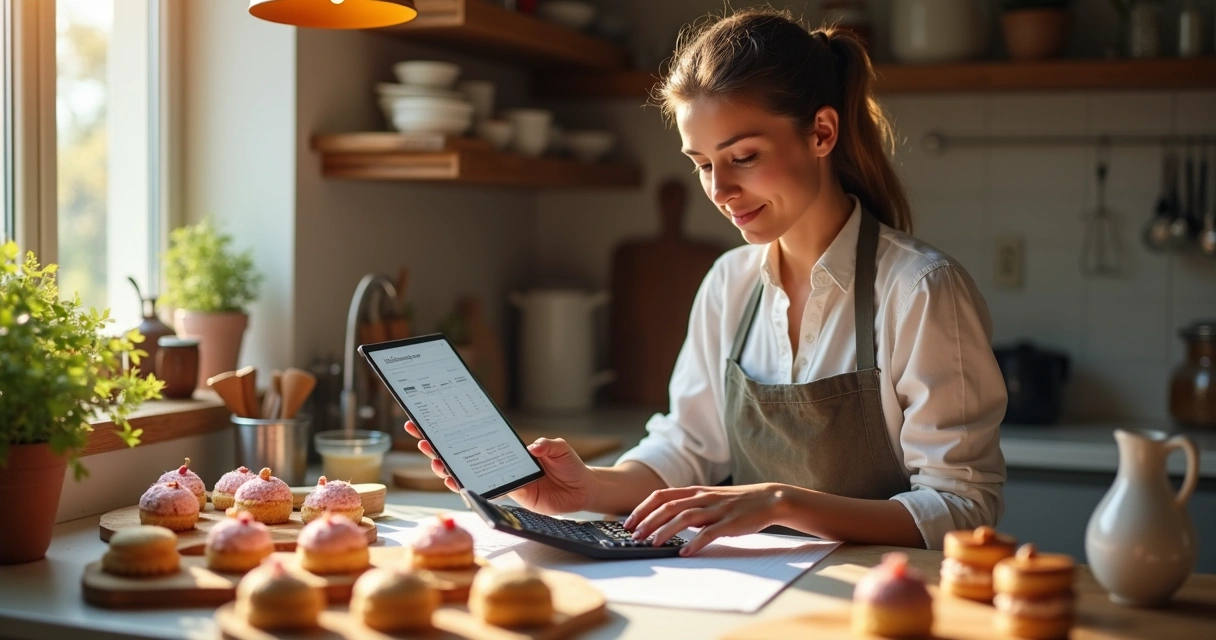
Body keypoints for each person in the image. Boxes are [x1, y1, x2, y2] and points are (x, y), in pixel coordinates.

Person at [404, 8, 1007, 555]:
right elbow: (686, 450)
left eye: (742, 156)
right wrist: (584, 488)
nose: (719, 191)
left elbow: (962, 508)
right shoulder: (728, 284)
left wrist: (782, 502)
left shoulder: (920, 289)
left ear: (822, 133)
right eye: (702, 165)